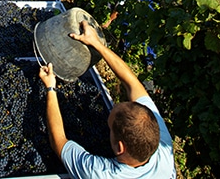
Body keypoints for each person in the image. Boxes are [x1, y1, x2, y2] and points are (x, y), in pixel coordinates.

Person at [38, 20, 176, 179]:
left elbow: (58, 141)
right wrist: (96, 43)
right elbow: (132, 83)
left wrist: (50, 88)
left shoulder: (101, 173)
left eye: (109, 127)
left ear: (119, 148)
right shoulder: (163, 145)